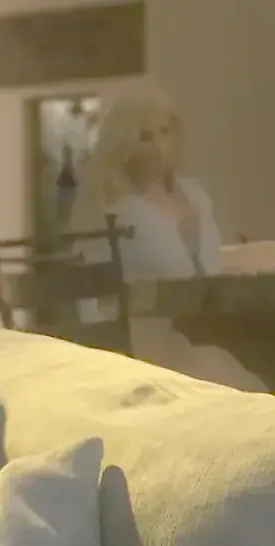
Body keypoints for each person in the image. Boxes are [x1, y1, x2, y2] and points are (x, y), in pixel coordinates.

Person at [76, 81, 264, 390]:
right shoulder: (116, 209)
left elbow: (209, 267)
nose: (158, 146)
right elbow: (93, 293)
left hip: (206, 327)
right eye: (145, 137)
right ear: (124, 145)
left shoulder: (195, 196)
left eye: (165, 132)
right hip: (147, 341)